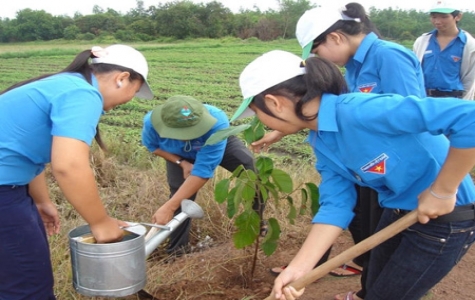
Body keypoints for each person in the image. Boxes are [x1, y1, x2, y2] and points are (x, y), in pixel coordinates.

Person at [231, 49, 475, 300]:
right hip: (397, 211)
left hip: (447, 220)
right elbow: (336, 205)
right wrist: (300, 268)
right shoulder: (322, 141)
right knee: (372, 284)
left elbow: (470, 118)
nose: (264, 123)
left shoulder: (362, 110)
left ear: (274, 103)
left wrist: (442, 190)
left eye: (258, 113)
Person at [268, 3, 427, 299]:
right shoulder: (353, 66)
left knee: (395, 246)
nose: (317, 59)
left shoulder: (388, 56)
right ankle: (370, 287)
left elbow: (412, 116)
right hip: (369, 164)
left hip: (397, 168)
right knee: (369, 229)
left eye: (316, 51)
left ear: (336, 38)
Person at [0, 44, 153, 299]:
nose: (129, 101)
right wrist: (101, 222)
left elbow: (21, 146)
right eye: (134, 91)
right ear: (122, 78)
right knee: (27, 288)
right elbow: (69, 165)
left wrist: (41, 200)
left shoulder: (63, 84)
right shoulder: (82, 93)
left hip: (12, 189)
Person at [142, 95, 264, 256]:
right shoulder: (152, 122)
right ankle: (177, 252)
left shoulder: (217, 121)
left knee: (253, 173)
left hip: (215, 143)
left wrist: (168, 207)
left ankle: (256, 223)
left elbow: (202, 171)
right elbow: (153, 146)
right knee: (180, 197)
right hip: (178, 155)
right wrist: (181, 163)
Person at [413, 0, 475, 100]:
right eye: (434, 17)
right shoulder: (422, 42)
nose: (437, 21)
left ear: (458, 16)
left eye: (444, 17)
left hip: (454, 101)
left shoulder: (469, 45)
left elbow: (470, 80)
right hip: (425, 99)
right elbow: (415, 71)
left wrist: (464, 105)